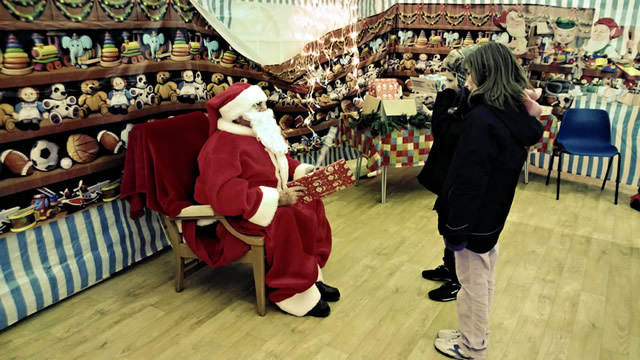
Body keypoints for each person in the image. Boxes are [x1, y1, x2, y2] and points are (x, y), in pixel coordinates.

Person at [432, 42, 543, 359]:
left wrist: (456, 227)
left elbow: (470, 181)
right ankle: (473, 334)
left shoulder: (483, 121)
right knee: (483, 276)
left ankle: (472, 347)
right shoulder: (508, 114)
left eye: (469, 73)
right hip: (491, 215)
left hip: (473, 220)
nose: (465, 79)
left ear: (484, 74)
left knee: (473, 284)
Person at [193, 82, 340, 318]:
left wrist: (303, 171)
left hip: (272, 200)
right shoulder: (221, 145)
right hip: (243, 214)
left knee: (310, 201)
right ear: (238, 115)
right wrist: (277, 199)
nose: (266, 109)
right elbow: (225, 194)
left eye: (264, 103)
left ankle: (311, 275)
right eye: (257, 105)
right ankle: (292, 291)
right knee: (287, 216)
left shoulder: (260, 132)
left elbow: (283, 161)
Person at [418, 44, 479, 303]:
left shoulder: (471, 108)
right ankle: (448, 267)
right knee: (445, 222)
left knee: (453, 227)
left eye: (453, 78)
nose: (448, 82)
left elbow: (443, 131)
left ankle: (457, 279)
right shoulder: (462, 102)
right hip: (448, 177)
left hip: (459, 181)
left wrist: (443, 99)